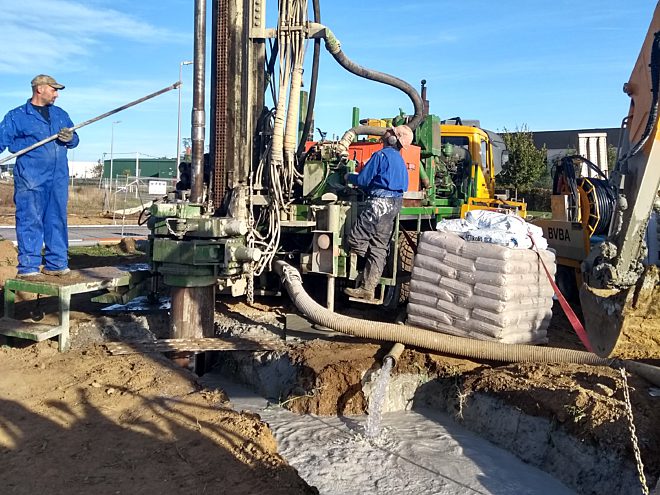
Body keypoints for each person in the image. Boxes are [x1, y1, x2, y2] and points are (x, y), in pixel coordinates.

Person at [0, 74, 79, 278]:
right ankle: (28, 267)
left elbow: (75, 138)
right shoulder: (17, 116)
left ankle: (57, 264)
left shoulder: (60, 114)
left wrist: (71, 138)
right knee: (30, 219)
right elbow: (1, 140)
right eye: (54, 90)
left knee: (57, 219)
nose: (56, 95)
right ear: (39, 89)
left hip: (58, 176)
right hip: (31, 177)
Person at [344, 125, 414, 301]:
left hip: (379, 203)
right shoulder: (399, 159)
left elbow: (362, 180)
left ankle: (362, 269)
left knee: (355, 238)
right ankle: (368, 288)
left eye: (389, 132)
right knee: (379, 246)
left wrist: (348, 176)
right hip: (394, 204)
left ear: (393, 138)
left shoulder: (381, 156)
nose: (385, 133)